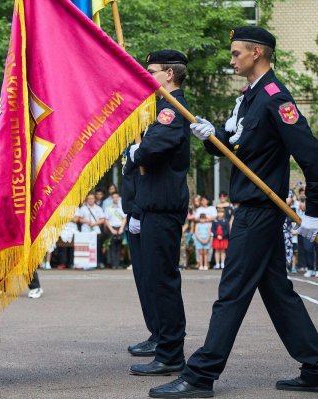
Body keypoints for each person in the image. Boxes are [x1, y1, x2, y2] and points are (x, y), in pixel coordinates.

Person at [150, 27, 318, 398]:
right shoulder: (250, 99)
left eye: (236, 53)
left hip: (260, 211)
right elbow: (241, 149)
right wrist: (212, 135)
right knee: (278, 294)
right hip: (252, 208)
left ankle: (201, 374)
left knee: (232, 291)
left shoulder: (274, 98)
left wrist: (314, 211)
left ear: (257, 52)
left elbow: (316, 161)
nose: (231, 59)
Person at [127, 49, 190, 377]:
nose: (146, 76)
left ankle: (170, 353)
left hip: (163, 208)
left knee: (163, 281)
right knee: (156, 279)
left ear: (169, 74)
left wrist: (137, 151)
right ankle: (166, 345)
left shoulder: (171, 109)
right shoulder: (163, 107)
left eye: (152, 71)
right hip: (156, 207)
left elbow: (153, 150)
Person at [122, 142, 158, 357]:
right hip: (135, 213)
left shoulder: (145, 137)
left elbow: (147, 177)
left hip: (144, 212)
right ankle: (156, 332)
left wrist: (137, 210)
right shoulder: (131, 139)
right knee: (143, 279)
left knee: (152, 278)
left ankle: (162, 335)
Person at [104, 192, 126, 269]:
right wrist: (112, 230)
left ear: (119, 198)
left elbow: (124, 218)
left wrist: (121, 228)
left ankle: (118, 263)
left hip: (120, 228)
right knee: (112, 247)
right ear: (112, 198)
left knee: (120, 247)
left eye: (117, 197)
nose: (115, 198)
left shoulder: (122, 208)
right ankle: (113, 264)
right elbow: (106, 220)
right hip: (112, 228)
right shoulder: (108, 208)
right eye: (114, 197)